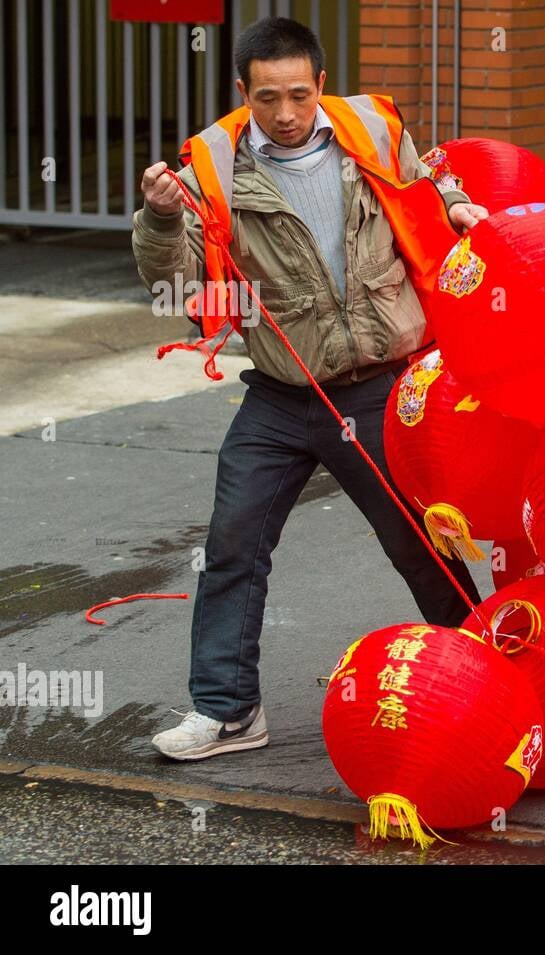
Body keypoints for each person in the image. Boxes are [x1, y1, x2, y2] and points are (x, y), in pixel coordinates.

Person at [132, 16, 488, 761]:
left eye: (299, 94)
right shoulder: (211, 169)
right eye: (268, 98)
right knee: (231, 542)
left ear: (321, 84)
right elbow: (180, 290)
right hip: (280, 393)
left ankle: (491, 680)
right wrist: (162, 219)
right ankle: (228, 712)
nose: (286, 114)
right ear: (242, 92)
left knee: (418, 541)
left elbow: (425, 184)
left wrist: (453, 204)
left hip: (377, 386)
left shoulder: (372, 129)